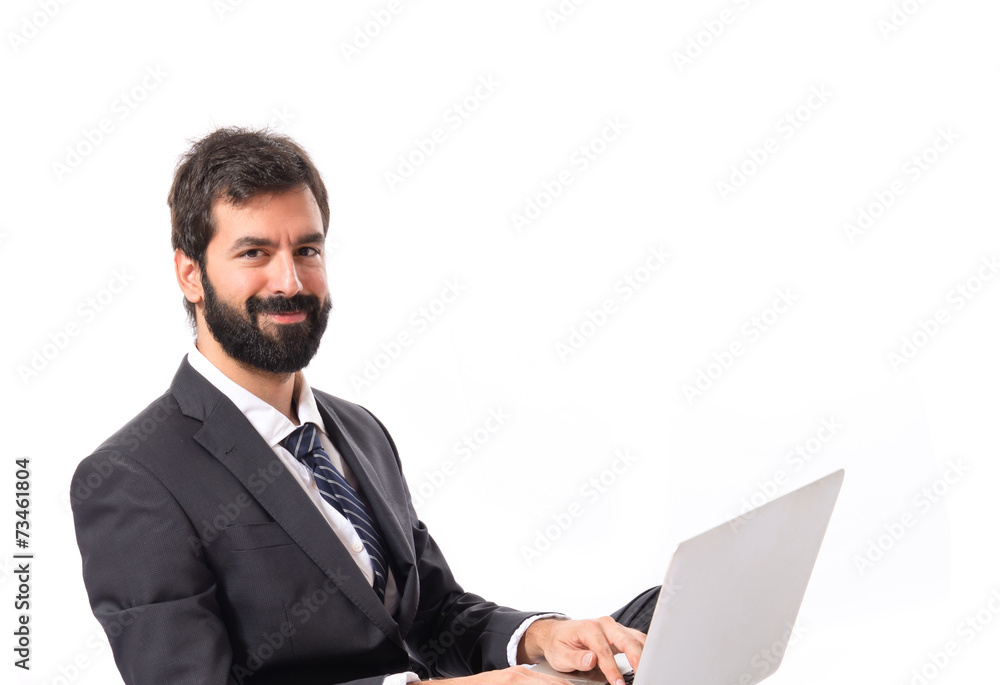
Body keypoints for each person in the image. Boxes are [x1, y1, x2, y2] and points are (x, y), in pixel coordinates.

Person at [70, 127, 657, 685]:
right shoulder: (132, 480)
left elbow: (436, 617)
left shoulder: (357, 429)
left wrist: (542, 638)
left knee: (652, 621)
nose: (290, 281)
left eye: (307, 249)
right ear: (190, 274)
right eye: (254, 253)